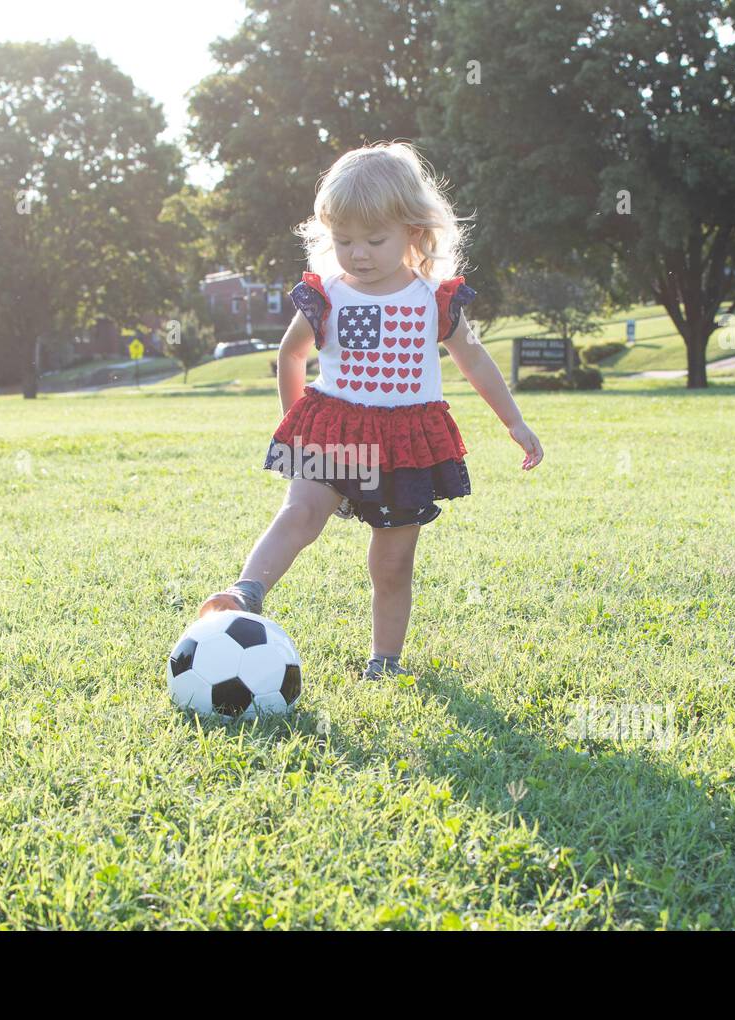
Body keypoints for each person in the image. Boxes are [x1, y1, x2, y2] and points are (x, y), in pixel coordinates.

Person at [200, 141, 543, 679]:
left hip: (406, 443)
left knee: (392, 562)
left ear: (413, 231)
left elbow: (474, 360)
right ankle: (247, 590)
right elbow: (291, 354)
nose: (358, 252)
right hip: (335, 428)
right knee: (301, 512)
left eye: (374, 239)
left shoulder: (434, 299)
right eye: (343, 239)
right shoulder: (327, 293)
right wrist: (295, 429)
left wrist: (514, 422)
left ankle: (384, 662)